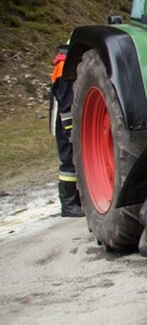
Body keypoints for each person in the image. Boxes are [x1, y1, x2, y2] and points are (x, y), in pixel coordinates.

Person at [50, 43, 82, 218]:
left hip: (67, 122)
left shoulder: (64, 64)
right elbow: (66, 102)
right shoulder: (63, 66)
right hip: (64, 123)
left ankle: (75, 201)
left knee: (73, 160)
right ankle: (68, 205)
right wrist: (71, 131)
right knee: (68, 162)